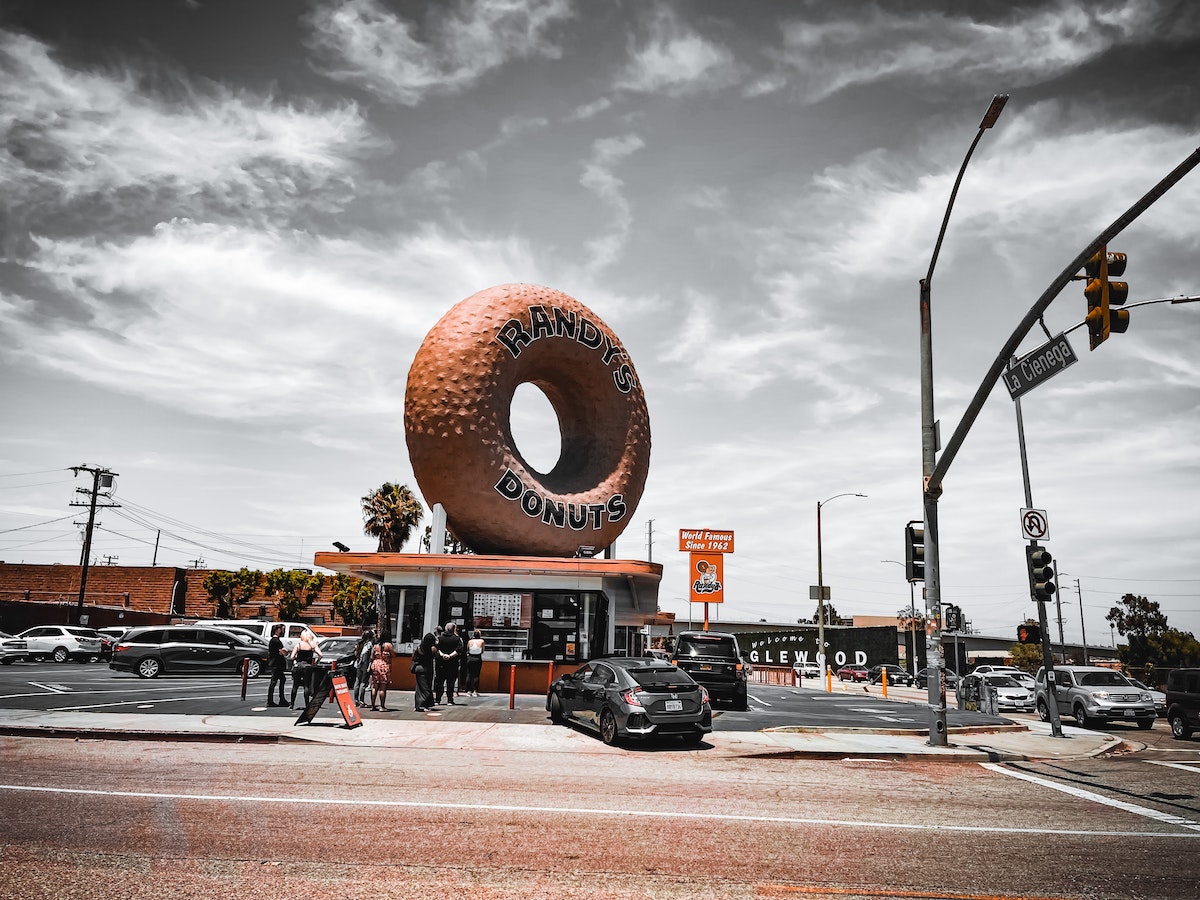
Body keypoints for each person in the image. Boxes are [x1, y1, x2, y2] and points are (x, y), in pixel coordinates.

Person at [288, 627, 322, 709]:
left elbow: (292, 657)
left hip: (298, 666)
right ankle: (307, 704)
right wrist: (316, 662)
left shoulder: (298, 645)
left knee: (295, 685)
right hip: (308, 666)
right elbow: (321, 655)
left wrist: (296, 657)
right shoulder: (312, 645)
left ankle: (292, 704)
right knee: (306, 686)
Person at [433, 623, 463, 705]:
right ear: (453, 629)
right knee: (451, 682)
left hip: (440, 663)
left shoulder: (440, 638)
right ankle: (450, 700)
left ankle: (437, 700)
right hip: (452, 663)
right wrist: (450, 656)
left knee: (439, 682)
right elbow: (459, 650)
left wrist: (443, 655)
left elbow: (436, 648)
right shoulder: (457, 639)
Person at [411, 632, 437, 712]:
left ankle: (417, 705)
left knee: (419, 688)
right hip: (428, 669)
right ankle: (425, 704)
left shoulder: (419, 648)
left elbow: (413, 658)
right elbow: (437, 655)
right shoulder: (432, 649)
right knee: (427, 687)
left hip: (419, 668)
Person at [266, 624, 288, 707]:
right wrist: (286, 652)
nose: (283, 631)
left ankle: (281, 699)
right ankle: (271, 700)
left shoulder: (274, 640)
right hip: (276, 664)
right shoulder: (276, 641)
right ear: (278, 630)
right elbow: (283, 652)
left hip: (276, 663)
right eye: (282, 629)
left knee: (282, 679)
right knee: (274, 682)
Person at [353, 628, 375, 706]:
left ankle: (356, 700)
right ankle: (361, 700)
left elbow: (356, 653)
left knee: (357, 681)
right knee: (363, 682)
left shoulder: (359, 643)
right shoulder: (369, 645)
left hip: (358, 664)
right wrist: (368, 665)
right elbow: (366, 656)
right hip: (364, 665)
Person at [370, 641, 393, 711]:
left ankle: (373, 706)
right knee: (382, 688)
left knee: (374, 687)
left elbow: (371, 656)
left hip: (375, 664)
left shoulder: (376, 646)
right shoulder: (387, 645)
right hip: (383, 665)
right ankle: (382, 706)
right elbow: (393, 655)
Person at [464, 629, 485, 697]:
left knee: (469, 674)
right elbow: (482, 651)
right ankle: (475, 691)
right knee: (476, 675)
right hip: (477, 658)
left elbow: (467, 649)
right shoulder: (482, 641)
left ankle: (468, 691)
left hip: (470, 658)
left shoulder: (470, 641)